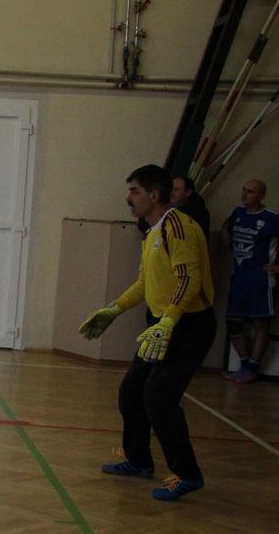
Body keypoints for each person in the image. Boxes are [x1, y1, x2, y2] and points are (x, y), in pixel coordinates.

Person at [79, 163, 215, 502]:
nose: (128, 198)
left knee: (159, 397)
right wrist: (114, 309)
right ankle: (138, 460)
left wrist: (168, 321)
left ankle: (188, 474)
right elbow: (145, 283)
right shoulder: (152, 231)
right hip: (161, 325)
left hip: (188, 326)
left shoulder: (178, 227)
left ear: (154, 195)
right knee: (131, 392)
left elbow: (188, 279)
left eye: (134, 191)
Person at [218, 179, 279, 383]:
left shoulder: (273, 218)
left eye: (250, 191)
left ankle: (253, 367)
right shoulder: (238, 213)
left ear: (261, 196)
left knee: (260, 322)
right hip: (239, 278)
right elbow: (226, 224)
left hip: (261, 280)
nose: (245, 194)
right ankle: (244, 362)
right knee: (233, 322)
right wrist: (225, 233)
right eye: (244, 190)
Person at [136, 174, 210, 238]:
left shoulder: (198, 213)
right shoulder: (163, 204)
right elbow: (143, 224)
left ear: (188, 192)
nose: (171, 192)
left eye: (176, 190)